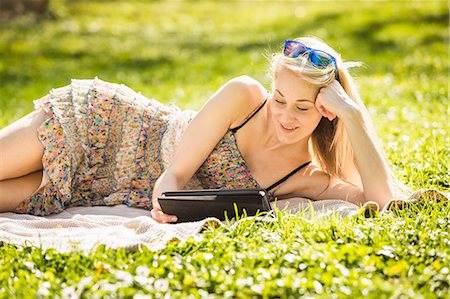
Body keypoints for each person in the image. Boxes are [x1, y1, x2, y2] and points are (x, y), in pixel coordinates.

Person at [0, 37, 408, 223]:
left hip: (104, 185)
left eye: (303, 107)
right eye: (280, 98)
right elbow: (175, 174)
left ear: (326, 111)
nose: (285, 116)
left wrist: (353, 115)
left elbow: (381, 200)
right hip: (103, 125)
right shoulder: (244, 97)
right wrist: (164, 199)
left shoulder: (306, 177)